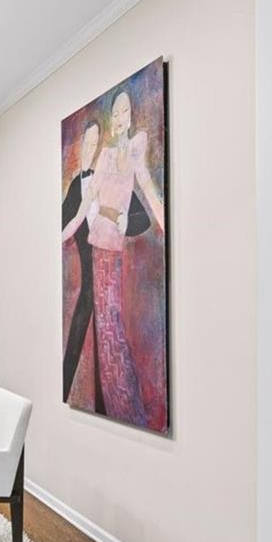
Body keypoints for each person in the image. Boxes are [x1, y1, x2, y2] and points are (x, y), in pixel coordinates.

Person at [62, 91, 165, 424]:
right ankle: (109, 404)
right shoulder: (103, 159)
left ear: (131, 115)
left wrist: (167, 225)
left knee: (114, 328)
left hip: (113, 256)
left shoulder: (136, 149)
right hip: (99, 252)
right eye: (117, 112)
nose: (121, 117)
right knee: (105, 332)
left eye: (126, 111)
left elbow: (149, 194)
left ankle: (125, 407)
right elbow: (78, 212)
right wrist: (58, 236)